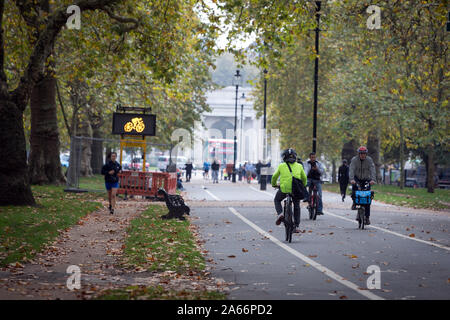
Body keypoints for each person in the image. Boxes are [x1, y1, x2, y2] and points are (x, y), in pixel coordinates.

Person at [271, 148, 307, 233]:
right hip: (296, 190)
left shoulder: (281, 165)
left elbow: (274, 177)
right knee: (297, 205)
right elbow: (304, 178)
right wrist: (304, 185)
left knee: (277, 200)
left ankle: (280, 214)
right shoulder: (299, 166)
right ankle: (297, 226)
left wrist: (274, 184)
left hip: (284, 189)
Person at [349, 146, 376, 225]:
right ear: (359, 154)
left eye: (364, 154)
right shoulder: (354, 160)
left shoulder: (369, 160)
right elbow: (351, 169)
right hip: (357, 178)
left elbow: (372, 170)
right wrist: (352, 179)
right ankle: (355, 203)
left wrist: (373, 180)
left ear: (366, 154)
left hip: (366, 179)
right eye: (361, 154)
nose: (363, 155)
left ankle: (367, 217)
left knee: (367, 197)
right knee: (355, 192)